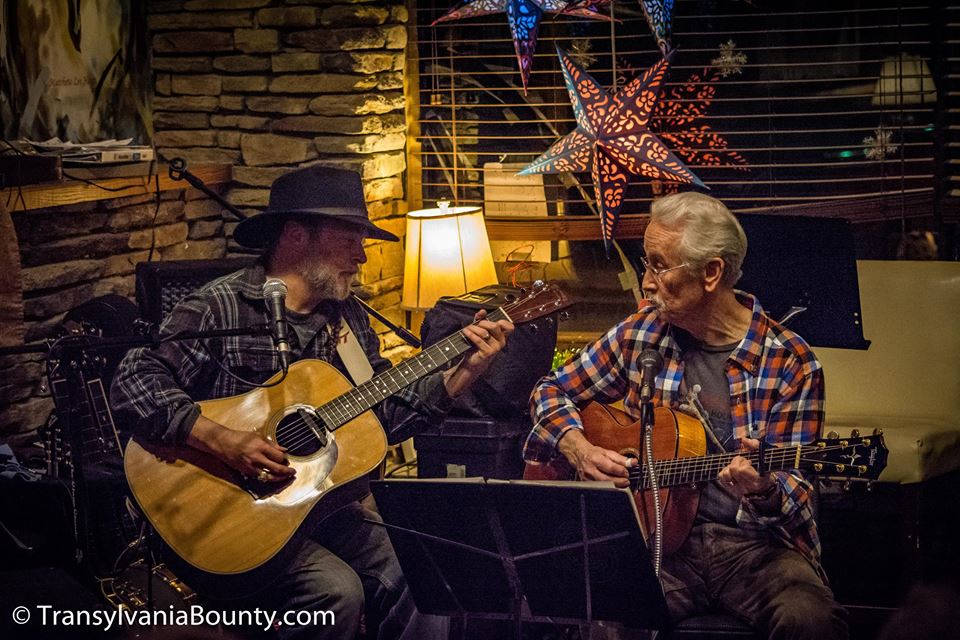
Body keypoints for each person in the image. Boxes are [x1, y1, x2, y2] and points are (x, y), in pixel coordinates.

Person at [111, 165, 514, 640]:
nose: (362, 257)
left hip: (319, 508)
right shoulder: (220, 306)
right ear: (297, 236)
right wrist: (222, 439)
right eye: (351, 240)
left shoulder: (346, 322)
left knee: (426, 569)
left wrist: (462, 374)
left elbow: (380, 418)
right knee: (335, 592)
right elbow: (133, 378)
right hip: (229, 520)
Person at [523, 192, 848, 639]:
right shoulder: (641, 334)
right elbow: (551, 389)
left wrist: (765, 488)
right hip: (657, 543)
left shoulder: (790, 362)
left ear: (711, 272)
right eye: (646, 263)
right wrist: (578, 448)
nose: (646, 282)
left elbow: (795, 491)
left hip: (755, 549)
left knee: (810, 621)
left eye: (659, 266)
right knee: (600, 612)